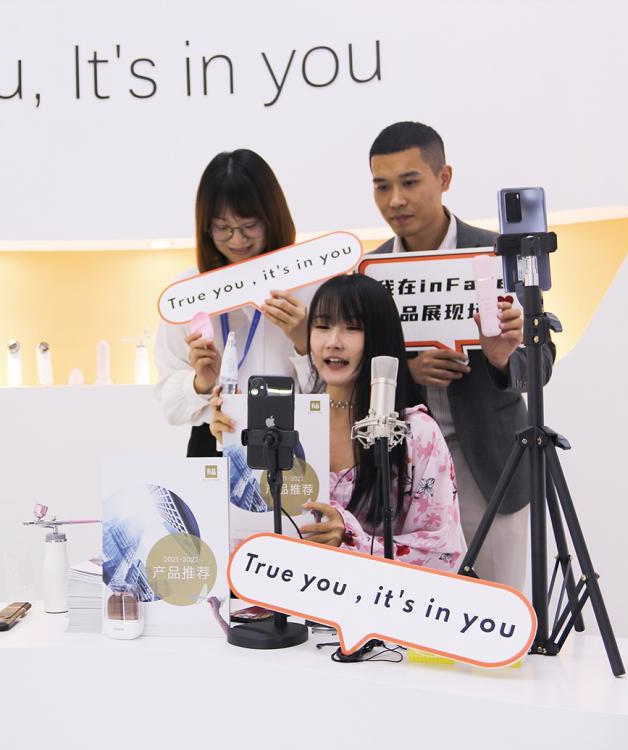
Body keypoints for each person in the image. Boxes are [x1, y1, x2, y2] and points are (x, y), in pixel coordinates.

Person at [366, 121, 555, 588]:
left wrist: (502, 358)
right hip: (401, 470)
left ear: (444, 177)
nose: (395, 200)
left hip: (489, 465)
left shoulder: (498, 254)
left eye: (410, 182)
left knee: (499, 608)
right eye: (382, 186)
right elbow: (357, 372)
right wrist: (408, 371)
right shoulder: (372, 272)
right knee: (413, 609)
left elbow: (540, 364)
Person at [210, 274, 465, 570]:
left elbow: (442, 554)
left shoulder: (414, 432)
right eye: (322, 326)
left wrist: (351, 540)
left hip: (376, 597)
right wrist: (233, 446)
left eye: (353, 328)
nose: (333, 342)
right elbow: (246, 527)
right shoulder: (284, 422)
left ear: (380, 336)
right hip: (289, 591)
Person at [154, 149, 315, 457]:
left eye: (249, 225)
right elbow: (169, 402)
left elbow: (336, 390)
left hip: (294, 442)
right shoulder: (188, 292)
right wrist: (200, 382)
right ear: (205, 227)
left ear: (272, 218)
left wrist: (303, 342)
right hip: (214, 442)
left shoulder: (309, 283)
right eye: (223, 228)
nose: (237, 239)